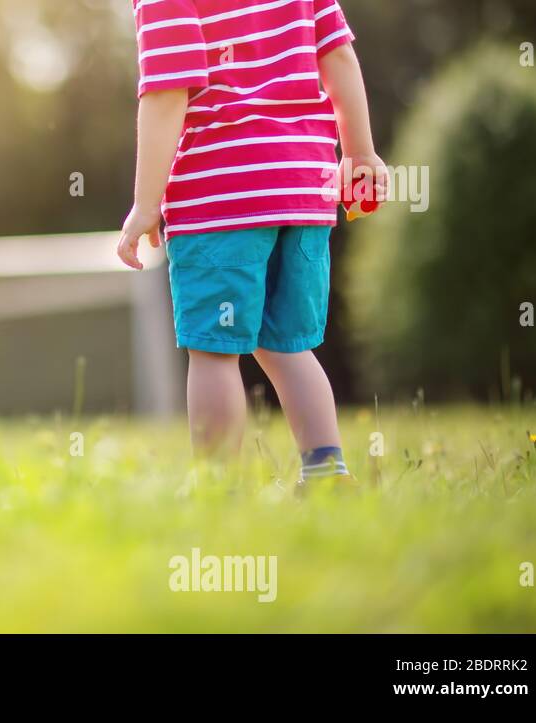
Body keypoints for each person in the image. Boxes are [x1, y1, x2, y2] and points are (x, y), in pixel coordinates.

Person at [117, 0, 387, 484]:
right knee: (286, 345)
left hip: (222, 193)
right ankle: (326, 471)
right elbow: (339, 56)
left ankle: (216, 485)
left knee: (214, 350)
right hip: (303, 187)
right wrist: (361, 152)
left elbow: (166, 92)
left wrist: (145, 204)